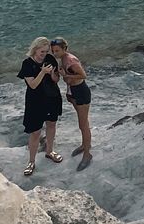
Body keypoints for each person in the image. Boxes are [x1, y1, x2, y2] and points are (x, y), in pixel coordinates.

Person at [18, 37, 64, 176]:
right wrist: (42, 72)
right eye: (41, 52)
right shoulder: (27, 64)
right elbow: (32, 85)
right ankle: (31, 161)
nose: (44, 54)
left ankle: (50, 151)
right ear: (35, 49)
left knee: (51, 124)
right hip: (35, 101)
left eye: (46, 51)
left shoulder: (50, 59)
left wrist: (52, 74)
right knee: (35, 132)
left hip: (51, 97)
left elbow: (56, 80)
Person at [52, 38, 92, 171]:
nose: (55, 53)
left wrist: (66, 75)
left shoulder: (70, 60)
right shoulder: (62, 59)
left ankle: (87, 154)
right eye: (53, 51)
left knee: (83, 125)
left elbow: (83, 75)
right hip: (73, 91)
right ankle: (84, 145)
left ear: (65, 49)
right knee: (83, 122)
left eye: (57, 51)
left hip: (81, 92)